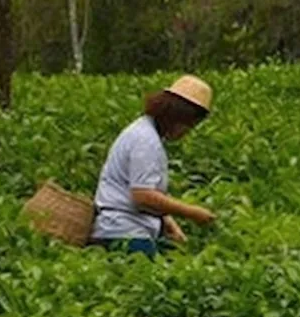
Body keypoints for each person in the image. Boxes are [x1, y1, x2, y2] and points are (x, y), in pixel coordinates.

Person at [90, 75, 217, 258]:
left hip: (125, 229)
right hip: (124, 232)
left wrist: (170, 224)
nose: (186, 133)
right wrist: (193, 213)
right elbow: (143, 196)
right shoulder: (145, 141)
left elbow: (145, 191)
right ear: (176, 116)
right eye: (187, 126)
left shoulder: (144, 133)